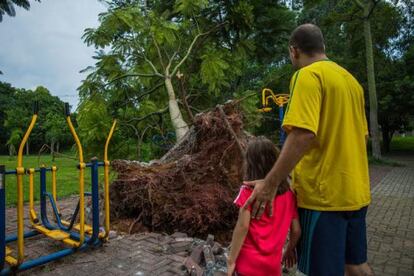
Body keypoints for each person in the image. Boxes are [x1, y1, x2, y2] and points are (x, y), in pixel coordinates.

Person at [243, 24, 373, 276]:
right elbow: (362, 137)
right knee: (355, 264)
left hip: (324, 199)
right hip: (356, 192)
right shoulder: (351, 82)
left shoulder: (307, 75)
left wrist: (270, 184)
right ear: (323, 47)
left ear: (294, 51)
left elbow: (302, 134)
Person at [227, 137, 301, 276]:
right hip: (272, 267)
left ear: (250, 163)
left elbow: (242, 227)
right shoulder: (289, 194)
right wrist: (289, 249)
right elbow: (296, 230)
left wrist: (231, 260)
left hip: (248, 265)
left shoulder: (248, 191)